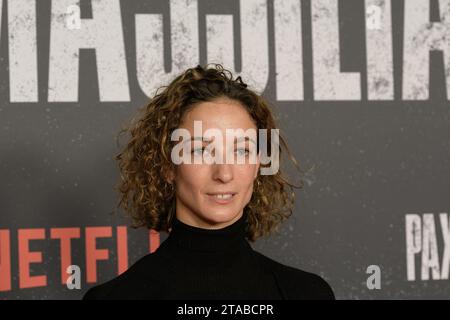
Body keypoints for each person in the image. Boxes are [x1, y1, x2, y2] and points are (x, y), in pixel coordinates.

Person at [83, 64, 335, 300]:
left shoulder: (305, 294)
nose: (224, 174)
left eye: (241, 151)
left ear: (259, 164)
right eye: (201, 150)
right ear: (168, 166)